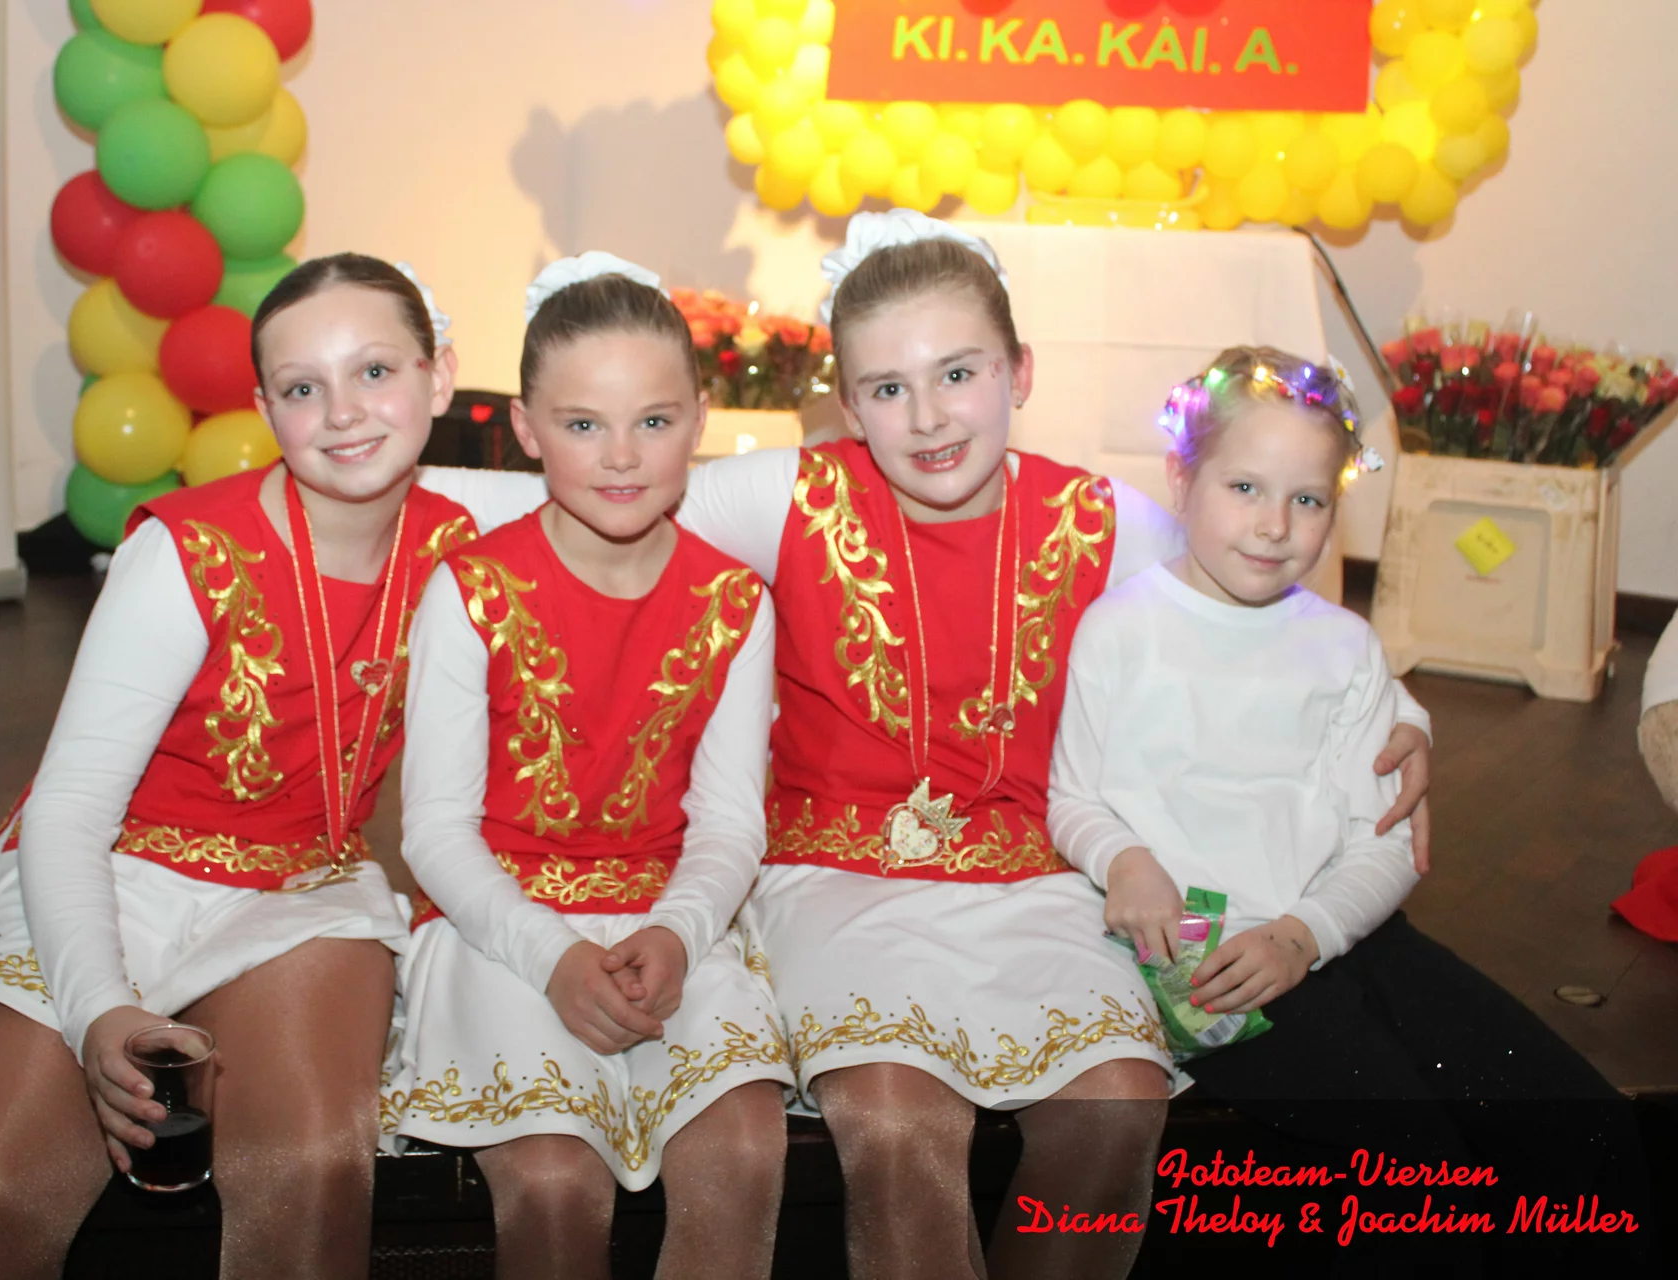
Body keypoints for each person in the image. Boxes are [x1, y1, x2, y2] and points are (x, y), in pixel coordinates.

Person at [420, 212, 1436, 1279]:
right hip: (836, 878)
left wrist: (1401, 710)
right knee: (896, 1124)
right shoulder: (793, 495)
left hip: (1042, 879)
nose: (929, 415)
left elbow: (1251, 581)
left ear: (1018, 371)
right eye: (889, 387)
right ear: (848, 403)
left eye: (958, 373)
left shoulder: (1099, 519)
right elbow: (568, 493)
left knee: (1119, 1105)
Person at [0, 253, 477, 1280]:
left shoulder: (463, 543)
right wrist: (97, 1006)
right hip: (111, 869)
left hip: (303, 885)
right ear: (264, 409)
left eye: (375, 371)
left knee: (312, 1174)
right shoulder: (188, 551)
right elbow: (68, 811)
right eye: (302, 387)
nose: (344, 412)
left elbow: (636, 479)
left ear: (439, 375)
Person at [1050, 346, 1651, 1266]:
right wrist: (1125, 861)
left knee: (1582, 1129)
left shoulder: (1343, 647)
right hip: (1205, 960)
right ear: (1181, 479)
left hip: (1334, 931)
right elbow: (1074, 796)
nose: (1274, 526)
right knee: (1414, 1164)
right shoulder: (1122, 630)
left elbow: (1386, 842)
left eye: (1308, 499)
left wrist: (1306, 935)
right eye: (1245, 488)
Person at [388, 254, 792, 1280]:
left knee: (744, 1156)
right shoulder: (470, 591)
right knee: (556, 1182)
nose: (620, 456)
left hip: (671, 920)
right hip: (499, 925)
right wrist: (553, 957)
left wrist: (679, 930)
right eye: (582, 424)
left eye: (653, 421)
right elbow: (433, 830)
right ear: (527, 430)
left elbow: (729, 822)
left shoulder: (735, 603)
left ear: (699, 422)